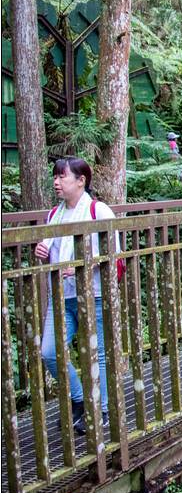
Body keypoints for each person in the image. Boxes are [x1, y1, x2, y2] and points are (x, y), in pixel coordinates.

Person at [35, 157, 118, 435]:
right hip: (61, 296)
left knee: (97, 355)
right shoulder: (53, 215)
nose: (56, 182)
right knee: (49, 351)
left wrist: (83, 265)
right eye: (55, 177)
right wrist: (41, 253)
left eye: (62, 177)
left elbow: (112, 251)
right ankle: (81, 399)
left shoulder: (98, 210)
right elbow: (52, 255)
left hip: (91, 293)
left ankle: (102, 410)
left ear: (81, 181)